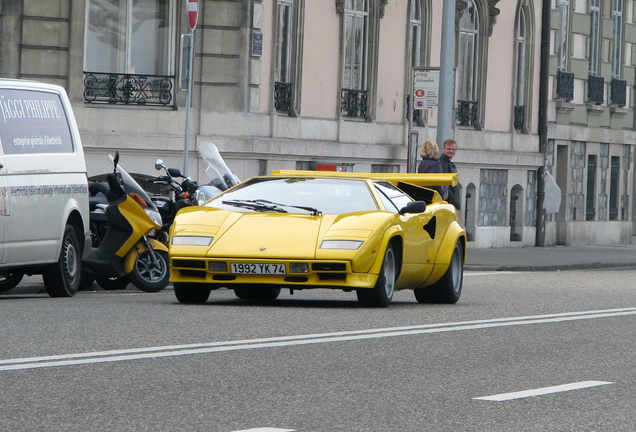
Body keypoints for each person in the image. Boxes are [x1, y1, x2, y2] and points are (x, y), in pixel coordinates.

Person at [440, 139, 461, 209]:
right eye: (449, 149)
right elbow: (445, 184)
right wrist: (453, 201)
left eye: (453, 149)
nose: (451, 151)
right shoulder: (443, 164)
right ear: (443, 149)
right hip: (449, 204)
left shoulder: (449, 163)